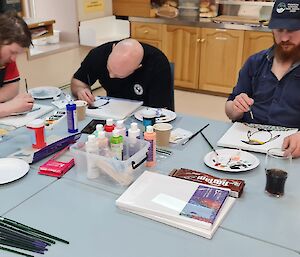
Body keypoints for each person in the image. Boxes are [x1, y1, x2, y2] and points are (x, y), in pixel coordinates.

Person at [225, 0, 300, 157]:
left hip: (289, 150)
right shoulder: (255, 62)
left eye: (292, 30)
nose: (284, 38)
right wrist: (236, 108)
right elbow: (229, 109)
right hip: (244, 145)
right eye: (279, 30)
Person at [71, 38, 173, 110]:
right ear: (113, 49)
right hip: (112, 111)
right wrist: (80, 90)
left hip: (144, 115)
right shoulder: (98, 54)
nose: (110, 76)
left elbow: (160, 110)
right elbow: (78, 81)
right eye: (109, 68)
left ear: (138, 67)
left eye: (118, 75)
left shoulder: (157, 64)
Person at [0, 11, 34, 117]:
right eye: (12, 52)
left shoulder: (7, 59)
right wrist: (9, 107)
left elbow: (12, 90)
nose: (14, 59)